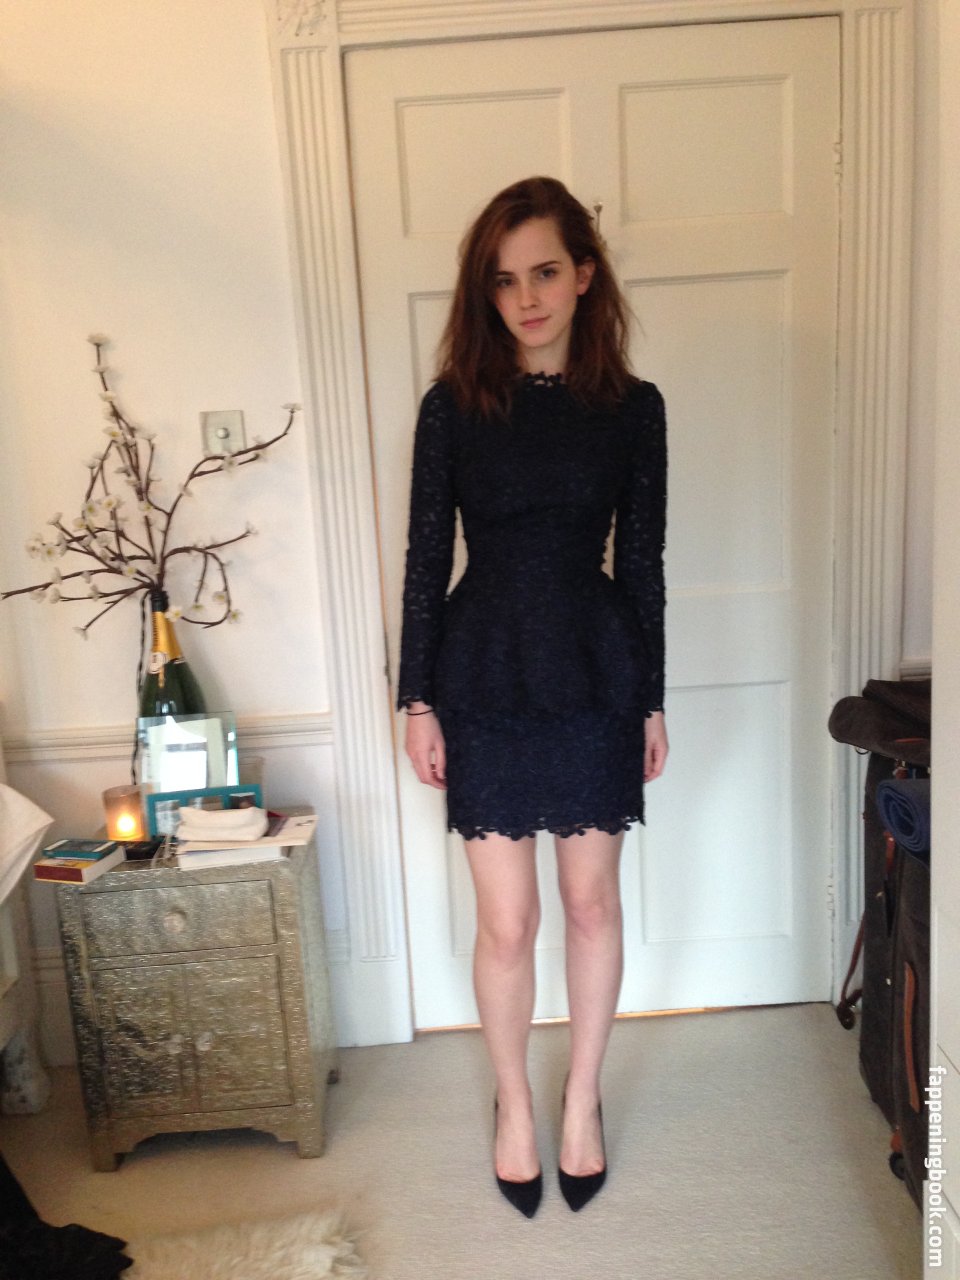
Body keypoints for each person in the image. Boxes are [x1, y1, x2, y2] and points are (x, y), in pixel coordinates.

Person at [396, 176, 668, 1218]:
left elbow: (641, 563)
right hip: (483, 673)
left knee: (592, 903)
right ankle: (515, 1101)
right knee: (506, 922)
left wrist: (650, 700)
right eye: (504, 281)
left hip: (596, 671)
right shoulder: (452, 408)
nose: (527, 298)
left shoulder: (634, 409)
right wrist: (416, 700)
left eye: (545, 272)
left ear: (584, 274)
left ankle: (581, 1098)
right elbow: (427, 561)